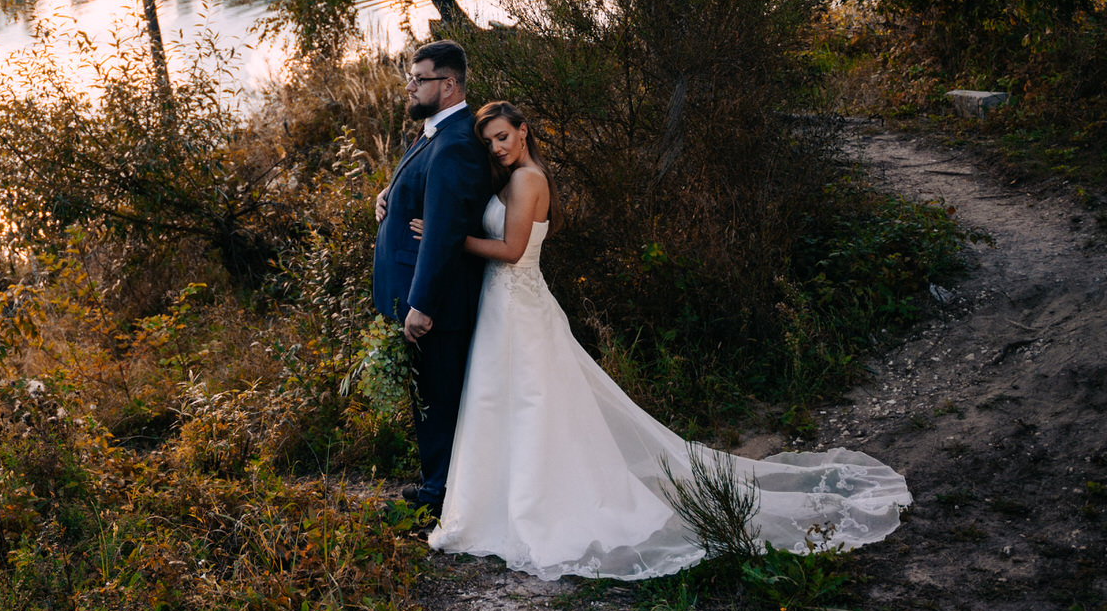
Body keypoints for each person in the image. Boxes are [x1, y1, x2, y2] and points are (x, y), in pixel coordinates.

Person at [423, 101, 911, 580]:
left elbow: (511, 250)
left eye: (503, 137)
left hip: (517, 306)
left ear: (523, 131)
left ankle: (533, 509)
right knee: (508, 403)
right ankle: (503, 505)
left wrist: (447, 238)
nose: (497, 147)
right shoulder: (512, 178)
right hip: (505, 306)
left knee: (528, 404)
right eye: (488, 142)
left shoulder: (528, 180)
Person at [371, 41, 495, 508]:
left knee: (439, 400)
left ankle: (439, 495)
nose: (409, 87)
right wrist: (389, 193)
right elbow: (425, 191)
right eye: (410, 77)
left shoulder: (456, 142)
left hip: (436, 304)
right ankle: (437, 483)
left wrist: (421, 304)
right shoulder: (435, 131)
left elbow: (443, 235)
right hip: (417, 294)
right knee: (429, 396)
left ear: (448, 85)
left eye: (418, 79)